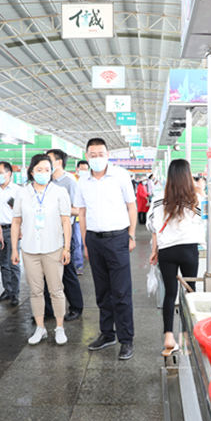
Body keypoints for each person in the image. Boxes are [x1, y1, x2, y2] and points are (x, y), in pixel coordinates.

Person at [76, 137, 137, 361]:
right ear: (87, 156)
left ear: (108, 155)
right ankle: (107, 334)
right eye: (92, 155)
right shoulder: (83, 181)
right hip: (94, 239)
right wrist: (85, 243)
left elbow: (132, 206)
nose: (97, 158)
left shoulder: (120, 175)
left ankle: (126, 339)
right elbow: (82, 213)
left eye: (100, 154)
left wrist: (131, 234)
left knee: (121, 292)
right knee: (102, 291)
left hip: (118, 238)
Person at [11, 154, 71, 345]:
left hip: (53, 248)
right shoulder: (22, 193)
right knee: (35, 291)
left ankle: (59, 327)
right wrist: (14, 249)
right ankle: (40, 327)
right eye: (39, 169)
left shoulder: (59, 192)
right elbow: (16, 221)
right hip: (29, 249)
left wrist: (67, 248)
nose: (43, 173)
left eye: (47, 169)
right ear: (31, 171)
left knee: (56, 290)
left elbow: (66, 221)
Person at [147, 159, 203, 357]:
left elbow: (153, 227)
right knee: (190, 293)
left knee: (170, 294)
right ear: (188, 176)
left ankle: (169, 337)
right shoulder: (196, 199)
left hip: (167, 251)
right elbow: (201, 222)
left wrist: (154, 250)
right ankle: (186, 339)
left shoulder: (158, 200)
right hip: (189, 250)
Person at [46, 149, 84, 322]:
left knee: (67, 272)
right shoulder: (45, 181)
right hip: (45, 233)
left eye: (49, 159)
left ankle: (76, 307)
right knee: (45, 273)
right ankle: (47, 310)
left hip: (63, 233)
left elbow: (78, 209)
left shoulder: (69, 182)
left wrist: (57, 207)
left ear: (59, 162)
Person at [0, 161, 21, 306]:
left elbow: (22, 212)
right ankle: (7, 290)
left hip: (12, 229)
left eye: (0, 172)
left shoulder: (17, 191)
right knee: (3, 263)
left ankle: (15, 293)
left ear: (9, 173)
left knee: (13, 262)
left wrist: (21, 229)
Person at [73, 160, 90, 273]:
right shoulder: (73, 180)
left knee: (85, 240)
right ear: (77, 169)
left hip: (88, 217)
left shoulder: (89, 181)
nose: (84, 171)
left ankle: (83, 257)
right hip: (77, 217)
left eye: (86, 169)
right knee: (77, 242)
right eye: (82, 169)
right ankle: (78, 265)